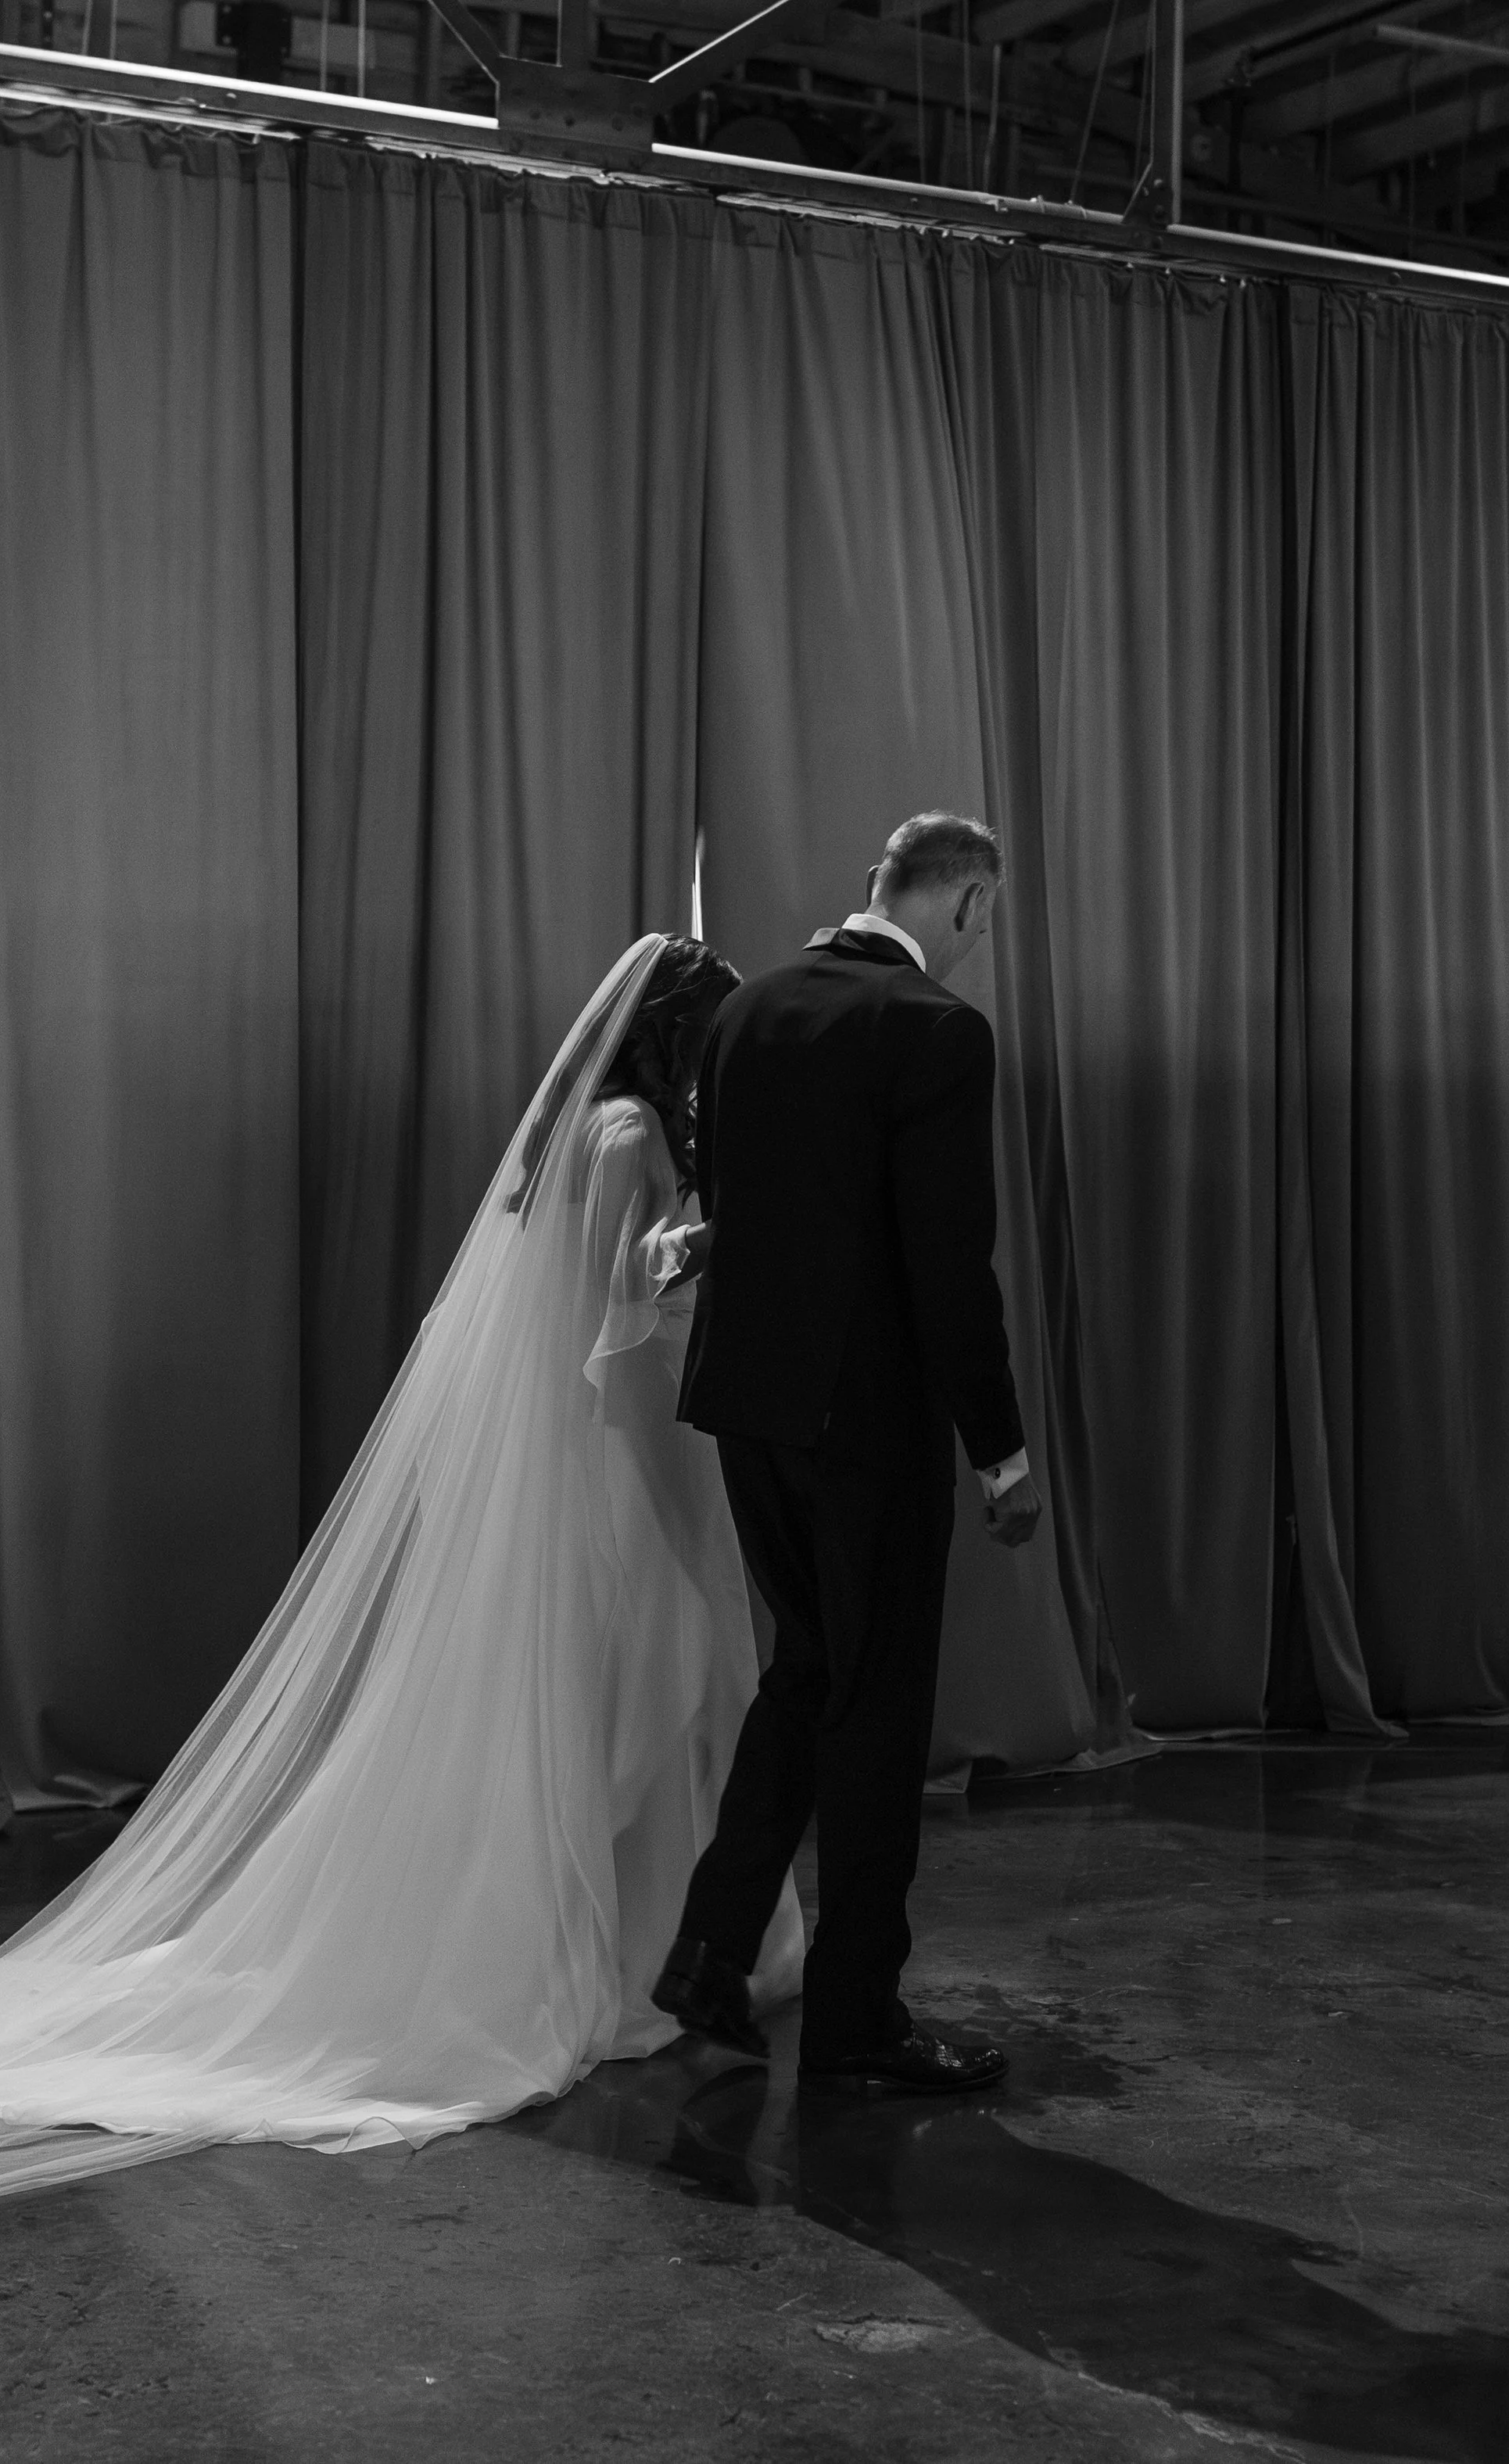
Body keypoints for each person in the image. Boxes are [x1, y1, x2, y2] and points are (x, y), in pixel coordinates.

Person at [0, 935, 801, 2253]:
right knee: (637, 1691)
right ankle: (599, 1948)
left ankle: (640, 1939)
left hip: (612, 1447)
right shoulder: (619, 1135)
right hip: (611, 1453)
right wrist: (721, 1239)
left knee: (640, 1693)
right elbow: (618, 1316)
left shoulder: (593, 1126)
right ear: (675, 1037)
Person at [652, 812, 1041, 2096]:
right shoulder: (936, 1031)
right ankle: (862, 2014)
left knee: (808, 1673)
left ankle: (712, 1951)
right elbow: (946, 1259)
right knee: (876, 1710)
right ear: (969, 905)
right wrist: (998, 1446)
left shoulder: (748, 1008)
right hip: (865, 1424)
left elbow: (735, 1212)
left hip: (747, 1409)